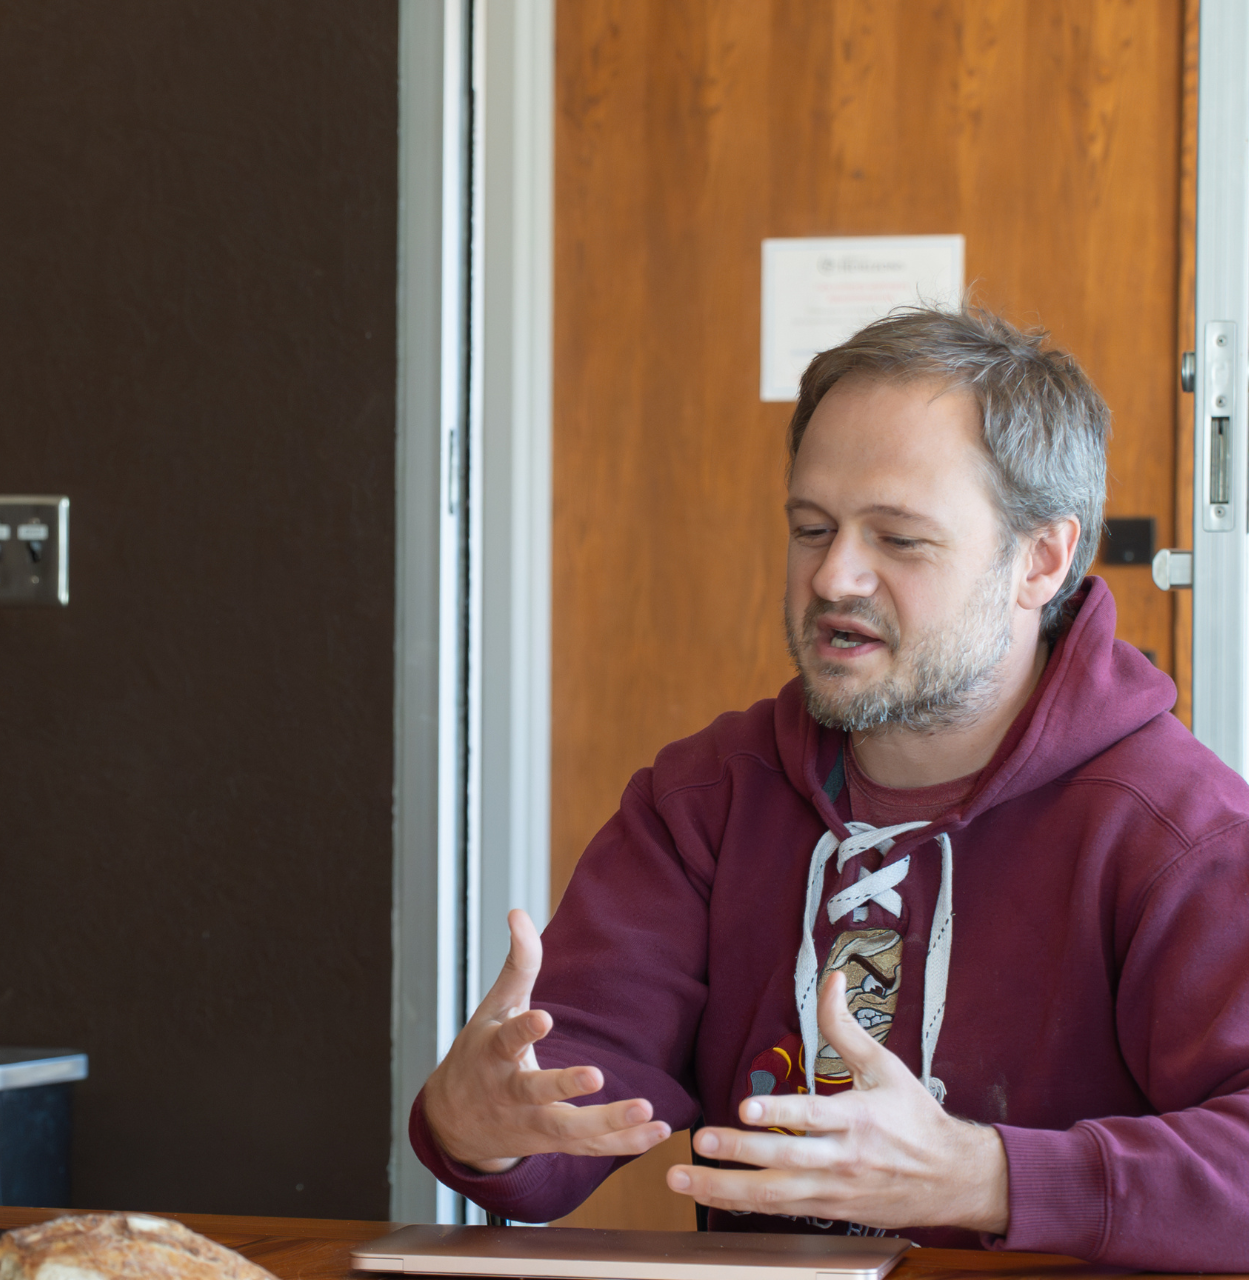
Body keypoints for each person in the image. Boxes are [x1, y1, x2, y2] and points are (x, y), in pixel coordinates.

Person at [412, 308, 1249, 1269]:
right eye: (812, 528)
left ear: (1041, 560)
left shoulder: (1184, 831)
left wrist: (988, 1177)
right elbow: (565, 1098)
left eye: (898, 539)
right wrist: (478, 1119)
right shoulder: (704, 800)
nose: (834, 575)